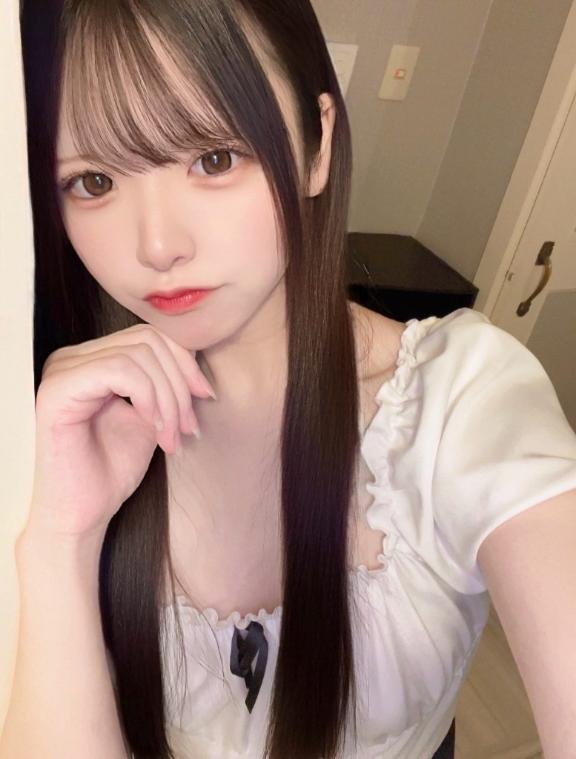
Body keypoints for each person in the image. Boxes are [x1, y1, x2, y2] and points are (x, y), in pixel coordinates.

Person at [3, 1, 576, 758]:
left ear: (317, 146)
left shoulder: (458, 400)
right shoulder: (68, 420)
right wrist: (61, 540)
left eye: (214, 159)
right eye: (94, 180)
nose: (157, 245)